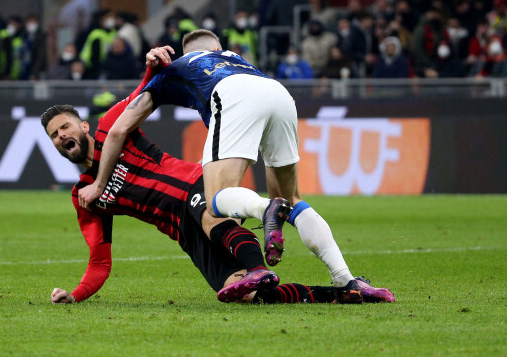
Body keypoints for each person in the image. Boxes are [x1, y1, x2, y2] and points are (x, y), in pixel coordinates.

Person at [78, 30, 383, 293]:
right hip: (278, 93)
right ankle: (346, 279)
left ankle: (266, 210)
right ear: (217, 49)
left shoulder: (178, 68)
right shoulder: (236, 59)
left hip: (233, 97)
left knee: (216, 200)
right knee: (291, 197)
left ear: (187, 54)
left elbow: (118, 129)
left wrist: (99, 185)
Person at [41, 104, 393, 304]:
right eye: (55, 135)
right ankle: (344, 294)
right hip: (179, 229)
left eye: (65, 127)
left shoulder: (111, 128)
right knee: (246, 296)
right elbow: (99, 262)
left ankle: (260, 250)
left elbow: (146, 95)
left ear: (83, 126)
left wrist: (154, 66)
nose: (62, 136)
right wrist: (76, 295)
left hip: (193, 184)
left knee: (211, 215)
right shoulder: (85, 195)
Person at [79, 10, 117, 79]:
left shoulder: (113, 33)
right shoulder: (96, 34)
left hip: (107, 67)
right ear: (102, 19)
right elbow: (95, 57)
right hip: (92, 67)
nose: (111, 19)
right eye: (109, 17)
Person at [20, 14, 47, 80]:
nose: (32, 24)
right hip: (23, 70)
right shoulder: (23, 36)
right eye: (30, 22)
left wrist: (34, 73)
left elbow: (41, 56)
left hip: (37, 72)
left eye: (34, 22)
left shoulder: (41, 36)